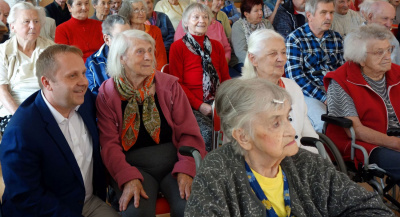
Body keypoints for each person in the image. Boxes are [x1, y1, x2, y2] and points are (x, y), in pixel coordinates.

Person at [184, 78, 395, 217]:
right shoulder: (217, 170)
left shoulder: (307, 163)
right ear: (243, 136)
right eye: (276, 123)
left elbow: (372, 209)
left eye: (288, 118)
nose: (291, 130)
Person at [0, 44, 120, 217]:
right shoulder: (21, 131)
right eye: (72, 76)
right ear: (47, 83)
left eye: (83, 72)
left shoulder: (84, 100)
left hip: (87, 203)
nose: (84, 82)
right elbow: (25, 196)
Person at [96, 29, 206, 217]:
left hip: (174, 162)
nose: (149, 57)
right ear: (122, 58)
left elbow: (189, 132)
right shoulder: (107, 93)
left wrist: (187, 167)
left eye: (150, 50)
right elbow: (109, 145)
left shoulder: (170, 86)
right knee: (135, 213)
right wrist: (127, 176)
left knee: (192, 209)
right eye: (140, 51)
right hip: (132, 165)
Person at [324, 24, 400, 187]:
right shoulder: (340, 81)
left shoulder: (397, 73)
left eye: (389, 49)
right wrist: (395, 143)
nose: (387, 56)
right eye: (379, 52)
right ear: (360, 58)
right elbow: (356, 131)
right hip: (365, 145)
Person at [241, 29, 318, 154]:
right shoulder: (242, 94)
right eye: (273, 54)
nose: (281, 59)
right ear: (253, 59)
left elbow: (308, 134)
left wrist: (315, 161)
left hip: (300, 158)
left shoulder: (292, 87)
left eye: (283, 52)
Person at [169, 3, 230, 151]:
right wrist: (199, 105)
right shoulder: (177, 47)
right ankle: (208, 172)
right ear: (185, 22)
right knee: (208, 135)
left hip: (218, 102)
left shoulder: (217, 46)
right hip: (191, 105)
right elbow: (177, 84)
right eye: (196, 17)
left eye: (205, 17)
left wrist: (226, 101)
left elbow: (226, 78)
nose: (201, 20)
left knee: (239, 130)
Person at [285, 0, 345, 133]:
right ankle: (324, 153)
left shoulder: (336, 38)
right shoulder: (295, 39)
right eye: (323, 12)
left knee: (359, 117)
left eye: (331, 12)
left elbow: (343, 71)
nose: (329, 17)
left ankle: (352, 152)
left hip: (334, 91)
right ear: (309, 15)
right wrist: (324, 97)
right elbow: (296, 78)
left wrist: (339, 94)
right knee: (322, 123)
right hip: (308, 93)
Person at [0, 2, 54, 135]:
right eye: (26, 22)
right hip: (14, 110)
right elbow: (2, 90)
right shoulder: (3, 52)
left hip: (46, 107)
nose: (32, 26)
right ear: (12, 26)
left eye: (36, 21)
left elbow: (57, 84)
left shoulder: (51, 49)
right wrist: (21, 116)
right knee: (22, 136)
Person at [85, 15, 130, 95]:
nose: (127, 42)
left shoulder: (137, 56)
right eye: (120, 37)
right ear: (107, 39)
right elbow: (94, 96)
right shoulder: (93, 63)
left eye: (129, 36)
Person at [119, 0, 167, 71]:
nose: (141, 13)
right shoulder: (124, 33)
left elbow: (161, 59)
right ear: (128, 13)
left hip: (152, 73)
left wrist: (156, 78)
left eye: (143, 9)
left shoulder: (155, 31)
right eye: (136, 10)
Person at [231, 0, 273, 74]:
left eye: (261, 9)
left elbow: (273, 44)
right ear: (246, 14)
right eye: (256, 11)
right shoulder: (238, 26)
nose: (260, 13)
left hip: (266, 59)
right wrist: (259, 63)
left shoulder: (266, 24)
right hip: (243, 61)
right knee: (259, 74)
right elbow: (240, 53)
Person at [361, 0, 400, 64]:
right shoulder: (356, 39)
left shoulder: (392, 38)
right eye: (385, 18)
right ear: (370, 17)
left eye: (392, 20)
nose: (389, 25)